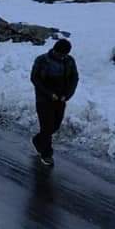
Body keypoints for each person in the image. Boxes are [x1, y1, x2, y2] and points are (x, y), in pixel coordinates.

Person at [30, 38, 79, 166]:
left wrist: (67, 95)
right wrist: (48, 93)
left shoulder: (69, 61)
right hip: (44, 99)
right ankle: (46, 154)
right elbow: (35, 78)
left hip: (60, 99)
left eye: (64, 55)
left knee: (55, 126)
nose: (62, 56)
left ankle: (38, 140)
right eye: (60, 54)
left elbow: (74, 78)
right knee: (47, 127)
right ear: (54, 50)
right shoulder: (42, 60)